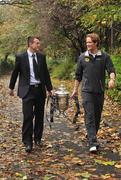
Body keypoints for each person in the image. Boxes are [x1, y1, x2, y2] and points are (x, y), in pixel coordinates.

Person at [71, 33, 116, 153]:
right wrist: (75, 90)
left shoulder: (104, 56)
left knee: (96, 116)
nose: (87, 44)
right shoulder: (82, 57)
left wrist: (112, 79)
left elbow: (111, 69)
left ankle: (92, 136)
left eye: (90, 42)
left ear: (96, 43)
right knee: (90, 115)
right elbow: (78, 75)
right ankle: (92, 142)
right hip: (86, 91)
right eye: (87, 42)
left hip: (99, 91)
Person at [9, 36, 53, 153]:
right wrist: (11, 87)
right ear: (30, 44)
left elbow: (45, 73)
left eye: (39, 43)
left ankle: (37, 138)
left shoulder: (41, 57)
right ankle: (27, 142)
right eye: (37, 43)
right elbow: (15, 73)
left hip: (39, 90)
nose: (39, 45)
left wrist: (49, 89)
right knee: (28, 116)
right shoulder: (21, 57)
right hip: (27, 91)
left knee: (39, 116)